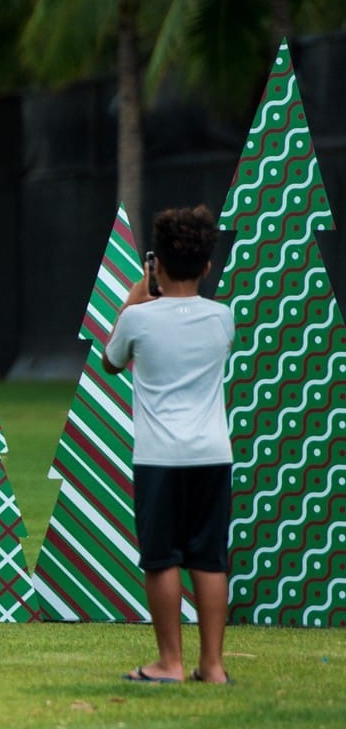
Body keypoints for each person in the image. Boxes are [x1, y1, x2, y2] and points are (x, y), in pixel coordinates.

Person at [103, 206, 234, 685]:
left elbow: (111, 360)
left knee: (162, 558)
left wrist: (139, 291)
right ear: (206, 266)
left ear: (156, 263)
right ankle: (214, 667)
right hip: (213, 455)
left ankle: (169, 663)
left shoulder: (139, 321)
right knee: (209, 557)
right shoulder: (223, 318)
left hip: (159, 458)